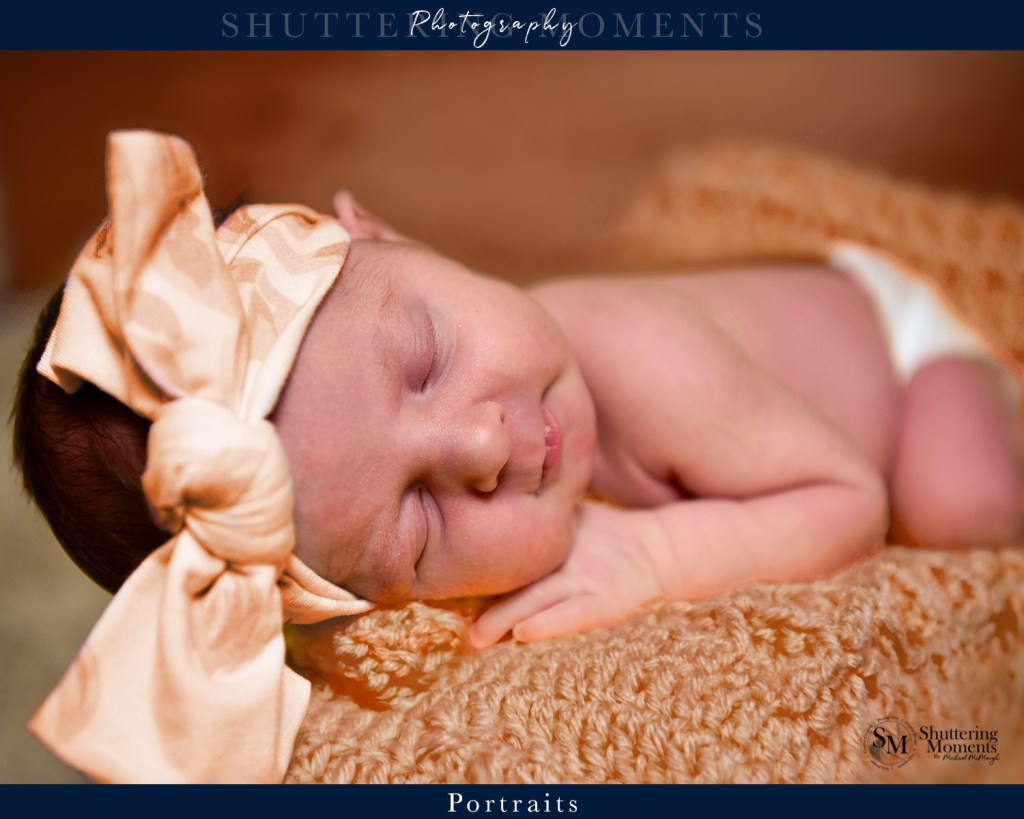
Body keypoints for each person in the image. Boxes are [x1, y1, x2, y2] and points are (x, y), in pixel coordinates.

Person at [12, 130, 1022, 782]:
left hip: (892, 348)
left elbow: (843, 497)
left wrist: (648, 561)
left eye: (424, 361)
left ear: (389, 236)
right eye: (415, 523)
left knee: (958, 505)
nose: (483, 446)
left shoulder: (643, 362)